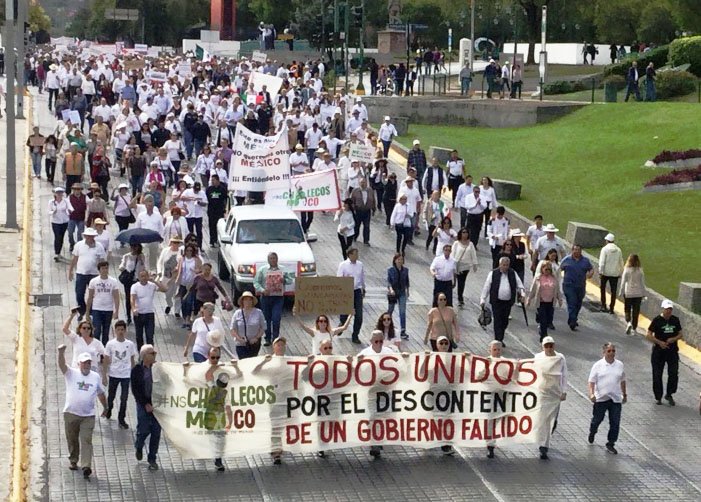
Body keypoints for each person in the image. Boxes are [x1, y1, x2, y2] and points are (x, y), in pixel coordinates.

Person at [58, 345, 106, 479]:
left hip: (88, 416)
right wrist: (61, 353)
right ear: (79, 363)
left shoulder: (95, 377)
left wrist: (106, 407)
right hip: (71, 413)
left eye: (89, 362)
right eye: (84, 363)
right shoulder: (71, 373)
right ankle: (73, 460)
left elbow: (101, 393)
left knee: (86, 440)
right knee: (72, 439)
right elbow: (62, 365)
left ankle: (86, 466)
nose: (87, 365)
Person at [588, 343, 627, 455]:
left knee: (615, 422)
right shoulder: (598, 365)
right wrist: (591, 394)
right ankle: (593, 431)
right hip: (601, 399)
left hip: (615, 399)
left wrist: (624, 394)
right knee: (597, 419)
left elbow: (623, 380)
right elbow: (591, 381)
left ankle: (610, 443)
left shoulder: (619, 365)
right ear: (604, 352)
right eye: (609, 351)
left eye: (613, 351)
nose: (611, 353)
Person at [534, 336, 567, 460]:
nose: (549, 348)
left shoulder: (560, 358)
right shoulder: (538, 358)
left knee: (551, 421)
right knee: (543, 419)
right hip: (542, 393)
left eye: (551, 345)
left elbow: (564, 375)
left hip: (555, 394)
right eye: (546, 346)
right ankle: (543, 446)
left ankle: (546, 440)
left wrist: (564, 391)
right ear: (543, 347)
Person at [480, 257, 525, 346]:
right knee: (497, 320)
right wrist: (483, 299)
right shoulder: (493, 273)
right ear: (500, 265)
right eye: (503, 265)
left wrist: (522, 294)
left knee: (505, 321)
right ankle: (498, 340)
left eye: (507, 265)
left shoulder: (513, 273)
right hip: (496, 301)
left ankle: (501, 336)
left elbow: (520, 285)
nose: (505, 267)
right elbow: (487, 287)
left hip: (507, 302)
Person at [646, 299, 683, 406]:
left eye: (670, 309)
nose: (669, 311)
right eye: (667, 309)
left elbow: (680, 334)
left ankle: (669, 393)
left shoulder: (675, 320)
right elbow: (648, 335)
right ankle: (658, 396)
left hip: (672, 352)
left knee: (673, 373)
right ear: (663, 309)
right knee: (657, 375)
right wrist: (659, 342)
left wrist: (673, 339)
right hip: (658, 352)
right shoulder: (657, 320)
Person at [254, 252, 295, 346]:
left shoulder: (283, 269)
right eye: (271, 258)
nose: (273, 260)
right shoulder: (262, 270)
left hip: (278, 297)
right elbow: (256, 282)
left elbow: (290, 279)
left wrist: (284, 280)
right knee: (266, 319)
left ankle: (275, 338)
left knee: (276, 318)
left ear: (277, 259)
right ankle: (267, 338)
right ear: (268, 260)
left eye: (274, 258)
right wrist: (262, 290)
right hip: (266, 297)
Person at [131, 344, 161, 470]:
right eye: (152, 353)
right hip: (143, 404)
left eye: (155, 353)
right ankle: (139, 445)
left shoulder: (158, 368)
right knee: (143, 429)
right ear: (144, 356)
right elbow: (135, 390)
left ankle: (152, 458)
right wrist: (145, 404)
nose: (154, 355)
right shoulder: (137, 370)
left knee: (156, 431)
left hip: (157, 404)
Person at [102, 320, 137, 429]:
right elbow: (106, 359)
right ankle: (109, 409)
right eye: (118, 330)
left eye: (122, 330)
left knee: (124, 397)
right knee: (111, 396)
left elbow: (132, 359)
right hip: (114, 374)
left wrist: (134, 374)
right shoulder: (110, 344)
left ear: (125, 331)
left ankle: (121, 418)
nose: (120, 332)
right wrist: (104, 374)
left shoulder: (130, 344)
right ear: (115, 331)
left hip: (126, 375)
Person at [68, 227, 107, 319]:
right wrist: (70, 271)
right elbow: (74, 259)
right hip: (81, 273)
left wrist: (103, 273)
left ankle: (91, 313)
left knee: (94, 295)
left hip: (94, 274)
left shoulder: (99, 246)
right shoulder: (79, 245)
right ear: (85, 236)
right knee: (79, 294)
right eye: (88, 236)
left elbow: (102, 261)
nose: (90, 238)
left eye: (92, 236)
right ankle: (83, 311)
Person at [85, 260, 120, 345]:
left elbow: (116, 297)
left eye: (106, 268)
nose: (105, 270)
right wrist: (87, 312)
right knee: (96, 331)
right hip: (97, 309)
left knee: (106, 331)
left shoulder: (113, 281)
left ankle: (104, 350)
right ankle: (96, 348)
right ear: (99, 270)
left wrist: (116, 311)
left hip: (108, 309)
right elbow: (90, 297)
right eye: (103, 268)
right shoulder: (93, 281)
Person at [527, 261, 563, 342]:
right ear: (542, 269)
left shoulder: (554, 279)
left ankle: (543, 329)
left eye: (549, 270)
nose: (547, 271)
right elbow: (533, 290)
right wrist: (529, 299)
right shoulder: (538, 278)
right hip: (541, 302)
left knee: (548, 319)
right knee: (543, 319)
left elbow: (557, 291)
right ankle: (544, 335)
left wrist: (560, 299)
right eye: (546, 269)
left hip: (550, 302)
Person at [130, 270, 167, 349]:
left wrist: (154, 281)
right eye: (142, 276)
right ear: (139, 277)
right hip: (139, 314)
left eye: (145, 276)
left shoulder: (152, 285)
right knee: (139, 336)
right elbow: (132, 299)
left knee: (150, 336)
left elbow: (164, 289)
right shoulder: (135, 286)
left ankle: (150, 354)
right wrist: (133, 309)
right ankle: (141, 355)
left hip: (149, 314)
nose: (144, 278)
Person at [560, 244, 594, 331]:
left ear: (581, 251)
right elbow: (558, 268)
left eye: (578, 250)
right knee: (572, 302)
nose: (577, 251)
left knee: (578, 304)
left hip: (580, 286)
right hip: (569, 285)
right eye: (575, 250)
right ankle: (573, 322)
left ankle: (572, 318)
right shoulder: (566, 260)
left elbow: (591, 269)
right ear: (572, 250)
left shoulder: (585, 261)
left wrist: (590, 273)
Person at [337, 247, 365, 344]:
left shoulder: (360, 265)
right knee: (345, 314)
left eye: (357, 254)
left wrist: (363, 288)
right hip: (346, 291)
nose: (357, 256)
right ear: (350, 255)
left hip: (357, 291)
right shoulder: (343, 265)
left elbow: (362, 277)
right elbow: (339, 278)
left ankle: (355, 335)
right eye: (355, 254)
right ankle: (341, 326)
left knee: (359, 315)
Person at [230, 291, 265, 359]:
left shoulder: (258, 312)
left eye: (250, 300)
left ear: (252, 301)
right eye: (245, 299)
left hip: (254, 344)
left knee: (252, 361)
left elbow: (263, 327)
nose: (248, 302)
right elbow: (232, 329)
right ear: (242, 301)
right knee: (243, 361)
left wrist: (256, 338)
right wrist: (239, 339)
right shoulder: (237, 313)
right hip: (241, 344)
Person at [619, 254, 646, 335]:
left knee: (627, 309)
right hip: (638, 294)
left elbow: (623, 282)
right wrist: (643, 293)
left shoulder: (627, 270)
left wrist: (621, 292)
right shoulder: (640, 270)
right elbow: (642, 283)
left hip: (629, 293)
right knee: (636, 311)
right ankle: (634, 328)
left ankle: (628, 322)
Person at [452, 228, 478, 309]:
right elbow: (453, 254)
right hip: (457, 264)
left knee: (461, 282)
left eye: (466, 232)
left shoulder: (470, 244)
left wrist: (475, 264)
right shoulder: (456, 243)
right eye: (463, 232)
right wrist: (452, 264)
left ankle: (460, 298)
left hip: (466, 266)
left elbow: (473, 254)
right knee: (453, 282)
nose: (465, 234)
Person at [598, 233, 624, 313]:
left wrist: (600, 272)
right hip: (614, 274)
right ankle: (611, 308)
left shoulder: (604, 249)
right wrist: (620, 272)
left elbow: (602, 262)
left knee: (602, 289)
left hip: (605, 273)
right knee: (613, 291)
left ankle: (603, 305)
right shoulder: (618, 250)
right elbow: (621, 262)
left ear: (607, 241)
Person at [386, 253, 410, 339]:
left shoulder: (406, 270)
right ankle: (386, 327)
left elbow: (407, 281)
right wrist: (391, 289)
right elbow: (389, 282)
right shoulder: (390, 270)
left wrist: (408, 291)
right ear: (395, 260)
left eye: (401, 259)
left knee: (402, 311)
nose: (400, 261)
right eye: (398, 259)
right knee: (390, 310)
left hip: (402, 292)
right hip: (393, 293)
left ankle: (403, 330)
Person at [48, 187, 71, 261]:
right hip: (55, 222)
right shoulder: (51, 202)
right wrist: (53, 212)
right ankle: (56, 253)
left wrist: (68, 211)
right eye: (57, 193)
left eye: (60, 193)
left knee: (61, 237)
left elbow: (70, 208)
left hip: (64, 221)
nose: (59, 194)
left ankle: (59, 252)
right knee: (57, 236)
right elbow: (49, 211)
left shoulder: (66, 201)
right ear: (55, 194)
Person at [350, 178, 375, 246]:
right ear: (359, 183)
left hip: (367, 211)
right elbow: (351, 201)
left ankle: (366, 240)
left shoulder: (370, 190)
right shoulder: (355, 191)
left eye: (364, 182)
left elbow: (373, 200)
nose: (363, 184)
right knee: (357, 225)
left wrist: (373, 209)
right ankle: (354, 237)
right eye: (361, 182)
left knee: (367, 226)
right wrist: (353, 209)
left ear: (366, 183)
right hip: (358, 211)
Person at [206, 174, 227, 246]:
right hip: (211, 210)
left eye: (213, 180)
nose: (212, 181)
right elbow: (206, 199)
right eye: (211, 180)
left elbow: (225, 199)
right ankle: (212, 240)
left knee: (219, 225)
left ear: (218, 180)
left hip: (219, 210)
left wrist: (225, 209)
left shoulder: (222, 189)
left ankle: (218, 240)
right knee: (211, 225)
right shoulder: (209, 189)